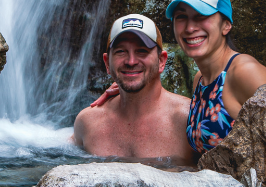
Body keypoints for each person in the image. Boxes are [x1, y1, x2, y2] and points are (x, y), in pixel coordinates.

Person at [165, 0, 266, 154]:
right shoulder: (200, 79)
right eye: (181, 17)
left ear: (226, 25)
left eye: (201, 16)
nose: (190, 27)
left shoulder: (245, 72)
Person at [72, 14, 197, 165]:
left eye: (142, 51)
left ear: (161, 61)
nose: (131, 61)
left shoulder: (189, 119)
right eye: (121, 52)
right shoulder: (87, 123)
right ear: (107, 63)